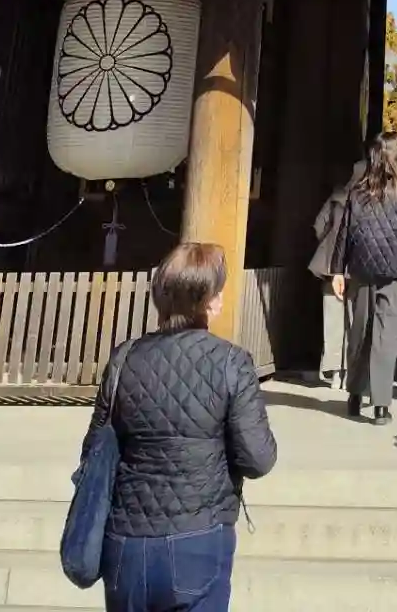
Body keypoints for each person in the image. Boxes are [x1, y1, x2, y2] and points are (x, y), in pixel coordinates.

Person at [82, 241, 276, 612]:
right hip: (198, 539)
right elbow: (258, 459)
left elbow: (93, 451)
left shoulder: (124, 358)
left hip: (126, 541)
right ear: (209, 301)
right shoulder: (231, 362)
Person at [331, 132, 397, 426]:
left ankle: (354, 395)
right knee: (387, 335)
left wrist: (338, 270)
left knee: (360, 331)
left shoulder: (358, 190)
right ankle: (381, 405)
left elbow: (345, 232)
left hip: (360, 270)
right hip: (394, 271)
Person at [310, 160, 363, 389]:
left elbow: (318, 225)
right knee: (354, 319)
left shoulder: (336, 197)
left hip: (331, 266)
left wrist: (329, 243)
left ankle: (334, 372)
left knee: (332, 319)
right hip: (357, 268)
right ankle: (351, 369)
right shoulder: (369, 200)